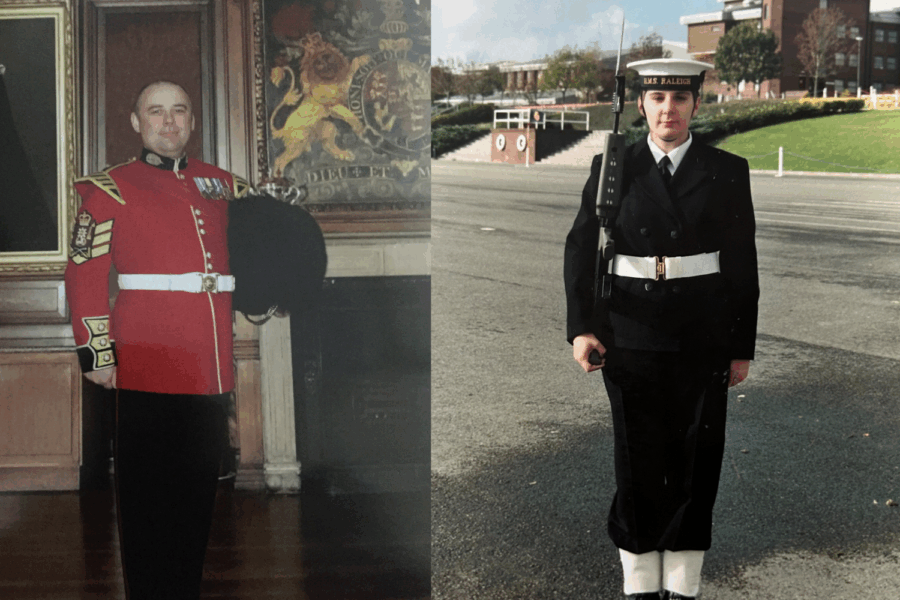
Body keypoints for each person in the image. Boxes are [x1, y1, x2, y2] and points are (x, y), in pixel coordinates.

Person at [563, 59, 759, 600]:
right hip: (629, 333)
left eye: (679, 99)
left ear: (697, 104)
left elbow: (742, 264)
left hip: (703, 337)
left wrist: (741, 347)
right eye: (657, 99)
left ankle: (684, 584)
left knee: (697, 460)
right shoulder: (613, 167)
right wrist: (582, 328)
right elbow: (581, 248)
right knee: (637, 457)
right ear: (642, 105)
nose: (667, 109)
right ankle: (639, 581)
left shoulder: (726, 170)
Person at [65, 80, 249, 600]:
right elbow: (83, 274)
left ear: (192, 120)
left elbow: (251, 262)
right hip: (144, 362)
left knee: (197, 502)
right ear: (135, 121)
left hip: (209, 366)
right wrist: (98, 354)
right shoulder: (110, 188)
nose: (169, 122)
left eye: (179, 111)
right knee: (147, 504)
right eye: (156, 112)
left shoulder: (225, 186)